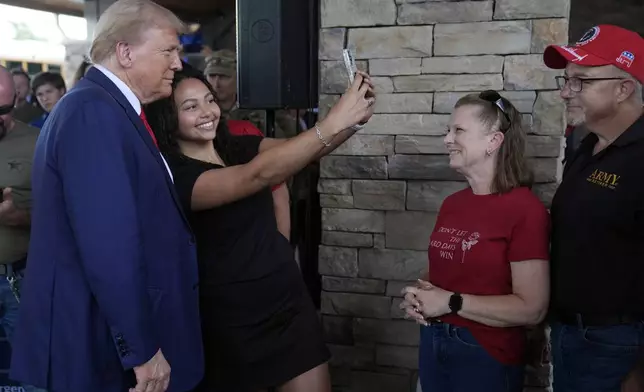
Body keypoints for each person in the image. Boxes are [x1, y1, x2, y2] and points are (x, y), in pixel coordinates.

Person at [143, 64, 375, 392]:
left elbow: (306, 152)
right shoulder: (176, 176)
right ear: (168, 119)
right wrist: (335, 119)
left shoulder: (238, 148)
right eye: (190, 107)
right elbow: (255, 176)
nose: (208, 111)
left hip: (286, 302)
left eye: (209, 100)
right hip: (231, 319)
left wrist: (353, 121)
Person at [10, 1, 204, 392]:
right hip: (99, 347)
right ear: (125, 52)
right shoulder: (92, 113)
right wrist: (143, 350)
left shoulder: (108, 108)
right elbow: (109, 246)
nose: (178, 64)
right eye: (169, 50)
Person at [400, 91, 550, 392]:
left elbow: (532, 308)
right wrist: (419, 294)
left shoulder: (525, 210)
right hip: (434, 341)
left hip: (486, 353)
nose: (447, 139)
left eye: (458, 131)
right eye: (448, 130)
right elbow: (447, 272)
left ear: (493, 142)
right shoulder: (453, 204)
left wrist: (451, 302)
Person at [542, 24, 644, 392]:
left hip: (618, 346)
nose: (566, 92)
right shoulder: (587, 147)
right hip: (573, 336)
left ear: (623, 88)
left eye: (580, 81)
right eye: (566, 81)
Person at [0, 67, 46, 392]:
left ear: (15, 100)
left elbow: (66, 215)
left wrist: (20, 216)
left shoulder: (38, 141)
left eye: (2, 110)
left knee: (36, 375)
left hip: (21, 278)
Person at [204, 49, 299, 138]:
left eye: (224, 77)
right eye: (211, 76)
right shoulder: (202, 111)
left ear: (239, 79)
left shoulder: (260, 107)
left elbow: (288, 139)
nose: (216, 84)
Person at [227, 119, 292, 239]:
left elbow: (278, 196)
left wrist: (283, 252)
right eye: (191, 107)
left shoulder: (240, 131)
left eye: (209, 100)